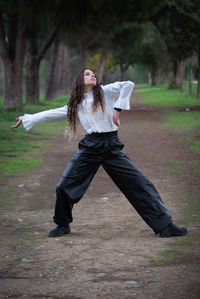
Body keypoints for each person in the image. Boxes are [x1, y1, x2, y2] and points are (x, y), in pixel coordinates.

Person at [12, 68, 188, 238]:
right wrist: (28, 118)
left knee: (140, 184)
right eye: (87, 74)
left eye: (93, 73)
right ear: (79, 81)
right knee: (64, 186)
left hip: (111, 147)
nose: (92, 75)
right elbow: (52, 113)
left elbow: (128, 84)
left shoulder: (105, 91)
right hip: (90, 147)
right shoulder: (77, 104)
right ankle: (62, 224)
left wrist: (118, 109)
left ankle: (166, 226)